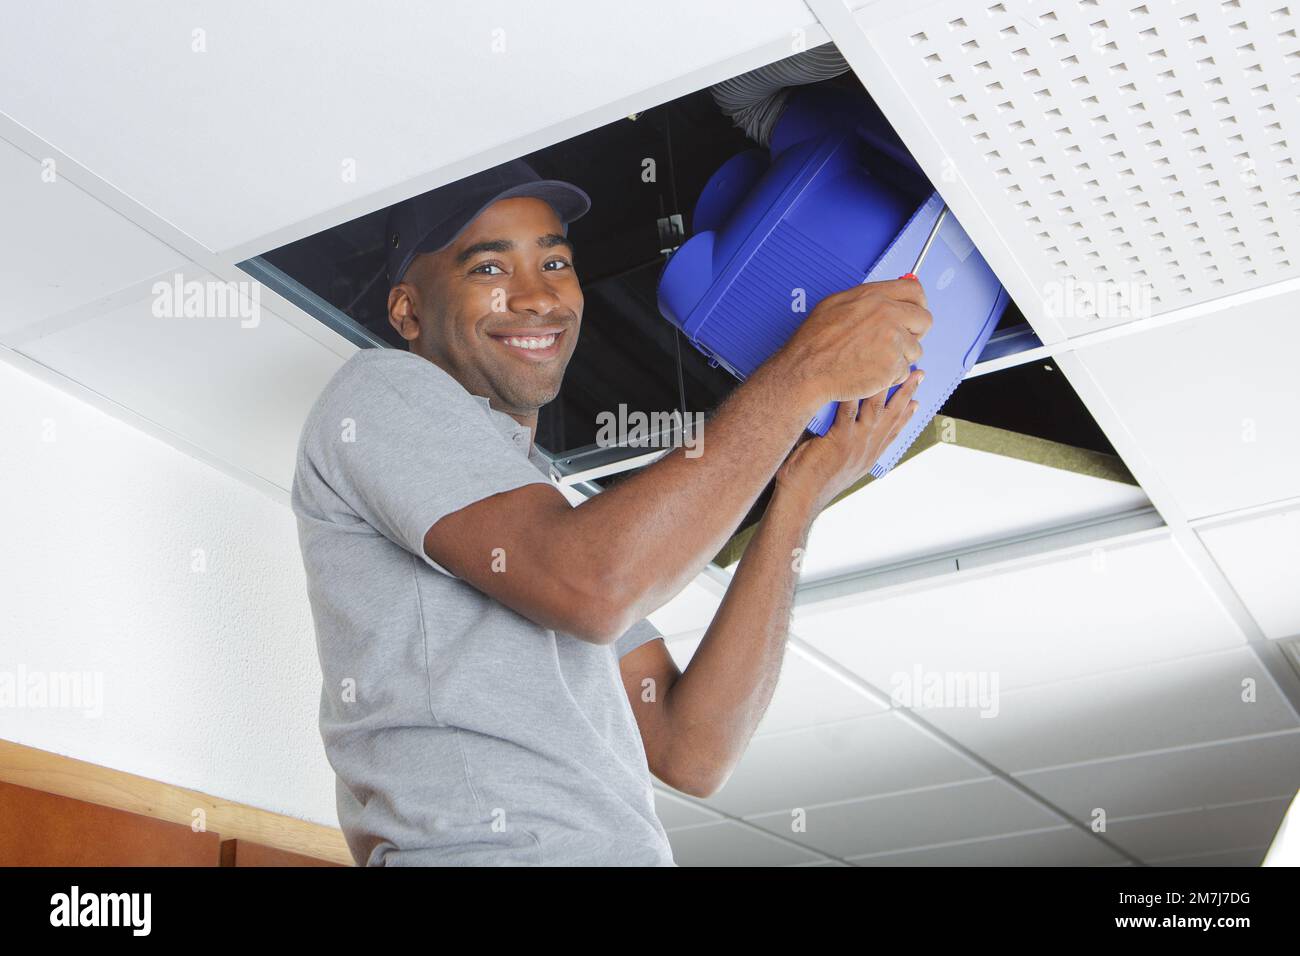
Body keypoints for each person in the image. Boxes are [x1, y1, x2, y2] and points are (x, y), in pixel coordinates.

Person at [290, 158, 929, 866]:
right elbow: (596, 585)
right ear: (408, 311)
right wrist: (804, 371)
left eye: (555, 261)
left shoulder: (539, 526)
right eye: (489, 270)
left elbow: (691, 750)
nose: (537, 298)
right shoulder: (381, 392)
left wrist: (798, 499)